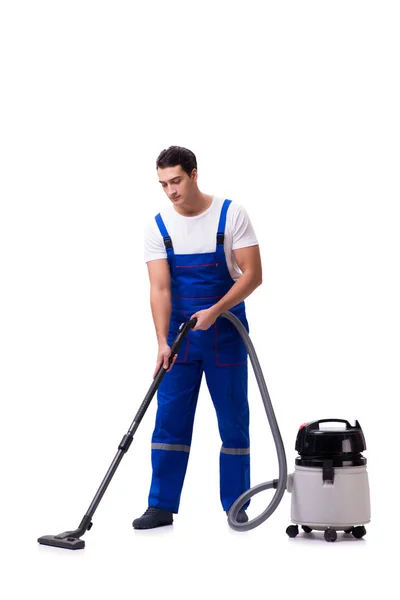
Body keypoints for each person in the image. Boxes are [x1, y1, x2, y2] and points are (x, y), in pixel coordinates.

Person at [133, 146, 262, 529]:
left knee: (233, 419)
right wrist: (161, 341)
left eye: (176, 181)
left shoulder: (230, 214)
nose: (170, 191)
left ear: (193, 174)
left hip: (226, 334)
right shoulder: (158, 226)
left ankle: (236, 503)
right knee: (169, 418)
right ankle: (161, 505)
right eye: (163, 184)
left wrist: (216, 310)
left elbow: (253, 275)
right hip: (180, 339)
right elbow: (159, 289)